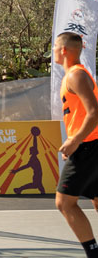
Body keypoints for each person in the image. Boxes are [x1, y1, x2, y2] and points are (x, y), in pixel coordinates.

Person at [52, 32, 98, 258]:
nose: (53, 51)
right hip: (89, 144)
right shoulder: (74, 75)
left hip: (89, 146)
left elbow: (94, 112)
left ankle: (93, 253)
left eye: (54, 47)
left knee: (64, 203)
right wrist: (72, 140)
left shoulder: (75, 75)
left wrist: (75, 140)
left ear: (63, 50)